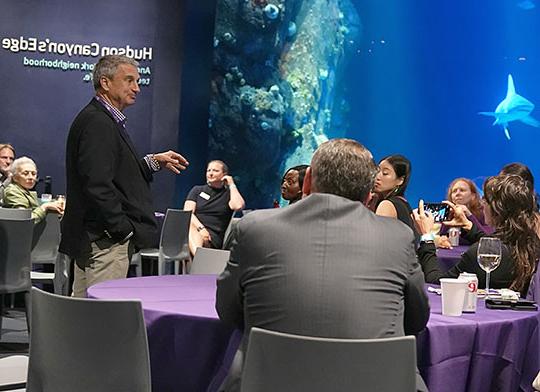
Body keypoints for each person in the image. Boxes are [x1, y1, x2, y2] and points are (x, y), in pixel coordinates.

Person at [216, 138, 429, 391]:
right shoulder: (398, 236)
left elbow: (228, 311)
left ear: (306, 182)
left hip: (268, 381)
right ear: (368, 194)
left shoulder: (253, 228)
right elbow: (417, 319)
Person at [60, 55, 189, 297]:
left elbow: (116, 175)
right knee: (100, 321)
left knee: (82, 320)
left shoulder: (103, 119)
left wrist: (152, 162)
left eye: (137, 81)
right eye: (129, 80)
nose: (137, 88)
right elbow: (97, 184)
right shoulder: (99, 122)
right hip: (104, 243)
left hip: (98, 240)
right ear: (105, 82)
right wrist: (121, 230)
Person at [413, 175, 540, 297]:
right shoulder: (530, 242)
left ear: (496, 209)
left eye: (485, 200)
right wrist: (468, 226)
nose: (482, 203)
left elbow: (437, 282)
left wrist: (426, 237)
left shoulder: (478, 254)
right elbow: (494, 245)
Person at [184, 160, 245, 254]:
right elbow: (187, 213)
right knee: (189, 228)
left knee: (191, 235)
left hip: (212, 236)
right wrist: (201, 229)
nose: (211, 173)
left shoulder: (228, 194)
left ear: (224, 174)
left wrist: (232, 184)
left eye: (215, 171)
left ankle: (198, 261)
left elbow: (238, 206)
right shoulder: (197, 190)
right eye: (209, 170)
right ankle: (199, 261)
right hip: (196, 228)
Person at [3, 156, 64, 223]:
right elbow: (24, 221)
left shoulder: (24, 190)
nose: (31, 177)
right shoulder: (12, 191)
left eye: (33, 174)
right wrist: (45, 207)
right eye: (25, 174)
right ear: (15, 177)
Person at [437, 178, 492, 247]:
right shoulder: (449, 214)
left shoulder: (483, 212)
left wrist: (469, 214)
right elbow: (443, 235)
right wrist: (442, 240)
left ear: (473, 196)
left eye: (462, 190)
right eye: (454, 191)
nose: (457, 193)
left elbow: (487, 238)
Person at [372, 154, 417, 236]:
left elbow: (376, 239)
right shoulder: (404, 203)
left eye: (385, 173)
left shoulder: (387, 205)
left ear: (400, 180)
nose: (377, 177)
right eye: (377, 171)